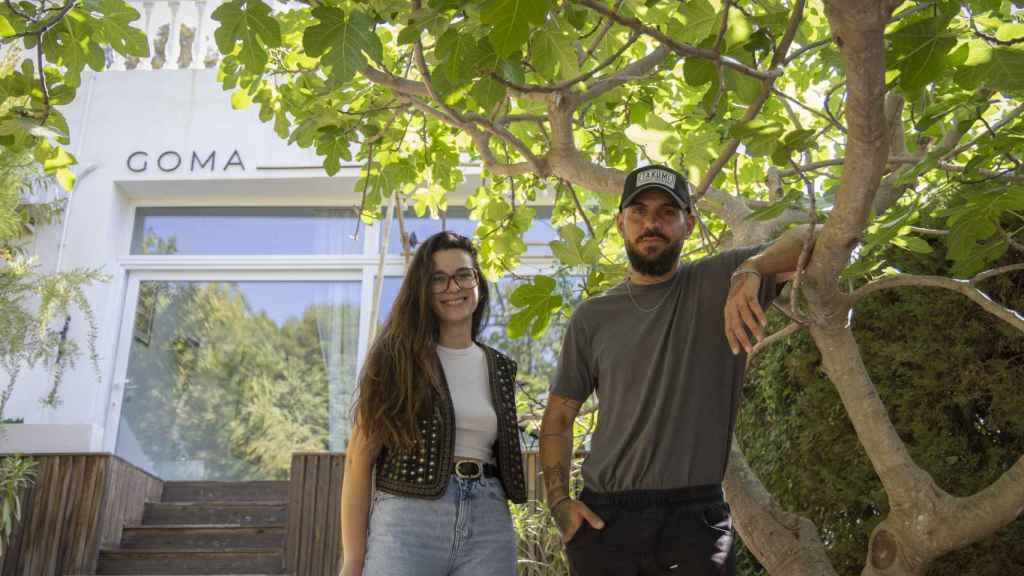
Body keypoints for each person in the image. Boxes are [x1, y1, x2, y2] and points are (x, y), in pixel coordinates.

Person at [539, 165, 812, 575]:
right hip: (605, 522)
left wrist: (754, 268)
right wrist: (560, 503)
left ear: (689, 223)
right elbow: (558, 417)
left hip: (694, 521)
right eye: (639, 212)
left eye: (667, 212)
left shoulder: (721, 278)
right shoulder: (592, 316)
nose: (652, 223)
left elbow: (819, 237)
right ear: (620, 223)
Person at [340, 231, 527, 576]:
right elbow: (358, 460)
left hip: (488, 522)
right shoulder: (395, 358)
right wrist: (352, 560)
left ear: (479, 284)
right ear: (422, 291)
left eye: (463, 275)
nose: (452, 287)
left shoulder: (501, 367)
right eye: (438, 279)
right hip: (407, 521)